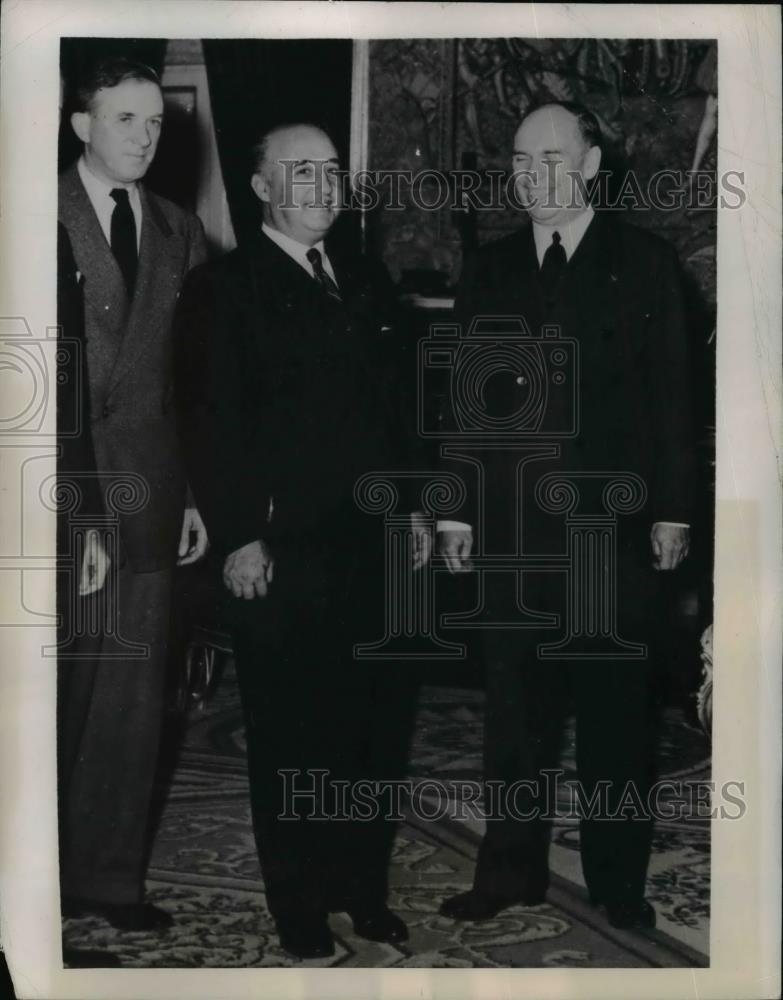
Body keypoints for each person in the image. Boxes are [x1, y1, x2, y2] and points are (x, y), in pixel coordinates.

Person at [436, 101, 695, 930]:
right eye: (518, 159)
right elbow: (464, 405)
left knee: (617, 719)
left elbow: (674, 402)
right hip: (512, 536)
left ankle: (617, 885)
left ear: (589, 166)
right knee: (513, 719)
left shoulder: (645, 264)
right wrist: (455, 513)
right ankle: (506, 873)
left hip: (610, 536)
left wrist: (675, 512)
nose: (530, 175)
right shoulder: (491, 267)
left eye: (549, 158)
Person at [175, 123, 424, 960]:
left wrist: (417, 509)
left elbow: (398, 417)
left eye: (331, 170)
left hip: (374, 550)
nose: (322, 184)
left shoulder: (363, 277)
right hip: (284, 555)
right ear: (261, 190)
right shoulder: (225, 288)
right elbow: (212, 426)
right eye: (301, 171)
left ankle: (361, 889)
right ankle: (300, 907)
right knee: (293, 737)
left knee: (372, 730)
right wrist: (243, 536)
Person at [57, 55, 208, 932]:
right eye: (125, 120)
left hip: (149, 487)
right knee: (53, 690)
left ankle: (107, 882)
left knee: (129, 698)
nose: (145, 138)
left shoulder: (181, 229)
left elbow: (186, 380)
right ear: (83, 126)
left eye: (155, 123)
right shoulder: (32, 212)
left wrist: (189, 492)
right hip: (58, 486)